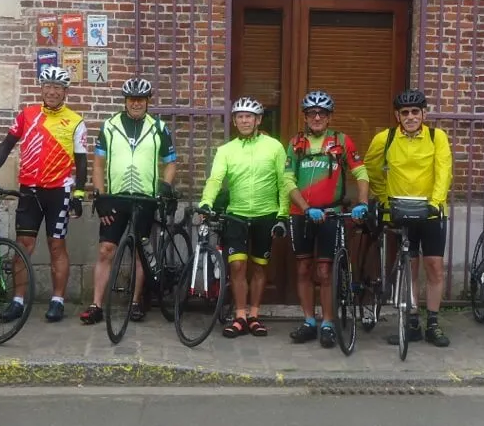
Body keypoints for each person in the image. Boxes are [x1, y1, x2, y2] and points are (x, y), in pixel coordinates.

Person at [0, 65, 87, 323]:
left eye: (57, 87)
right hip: (30, 189)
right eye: (47, 86)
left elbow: (81, 162)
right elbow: (7, 144)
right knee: (23, 246)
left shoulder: (75, 122)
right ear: (41, 88)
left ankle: (57, 301)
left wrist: (79, 194)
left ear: (65, 92)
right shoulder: (27, 115)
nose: (52, 91)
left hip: (59, 191)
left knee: (56, 245)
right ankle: (17, 301)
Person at [79, 77, 177, 325]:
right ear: (125, 101)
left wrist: (164, 187)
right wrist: (100, 196)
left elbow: (170, 162)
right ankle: (96, 305)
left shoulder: (159, 127)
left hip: (145, 198)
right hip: (116, 198)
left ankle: (135, 302)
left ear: (147, 102)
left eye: (140, 99)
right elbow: (99, 164)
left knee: (139, 252)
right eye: (132, 99)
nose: (136, 103)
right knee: (105, 250)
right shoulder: (110, 126)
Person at [199, 97, 296, 338]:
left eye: (249, 116)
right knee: (238, 266)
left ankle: (254, 315)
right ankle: (240, 316)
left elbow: (283, 182)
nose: (244, 120)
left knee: (260, 268)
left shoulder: (274, 147)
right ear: (234, 120)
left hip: (266, 214)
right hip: (237, 215)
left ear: (258, 120)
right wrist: (206, 202)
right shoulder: (226, 150)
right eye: (240, 116)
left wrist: (282, 215)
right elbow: (215, 179)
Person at [364, 88, 452, 348]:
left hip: (430, 211)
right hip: (400, 210)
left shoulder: (437, 137)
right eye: (405, 113)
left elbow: (443, 171)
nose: (411, 116)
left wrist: (435, 203)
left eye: (416, 112)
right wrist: (383, 197)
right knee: (409, 266)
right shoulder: (385, 138)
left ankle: (433, 323)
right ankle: (412, 322)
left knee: (434, 266)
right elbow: (370, 168)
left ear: (424, 113)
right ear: (397, 116)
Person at [285, 91, 370, 349]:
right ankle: (309, 321)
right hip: (302, 214)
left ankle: (328, 323)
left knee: (324, 271)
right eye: (312, 113)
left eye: (322, 113)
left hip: (332, 214)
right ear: (306, 117)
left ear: (330, 116)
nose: (317, 117)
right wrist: (305, 206)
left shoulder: (342, 141)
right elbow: (287, 180)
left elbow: (360, 171)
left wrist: (363, 202)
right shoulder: (296, 143)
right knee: (303, 268)